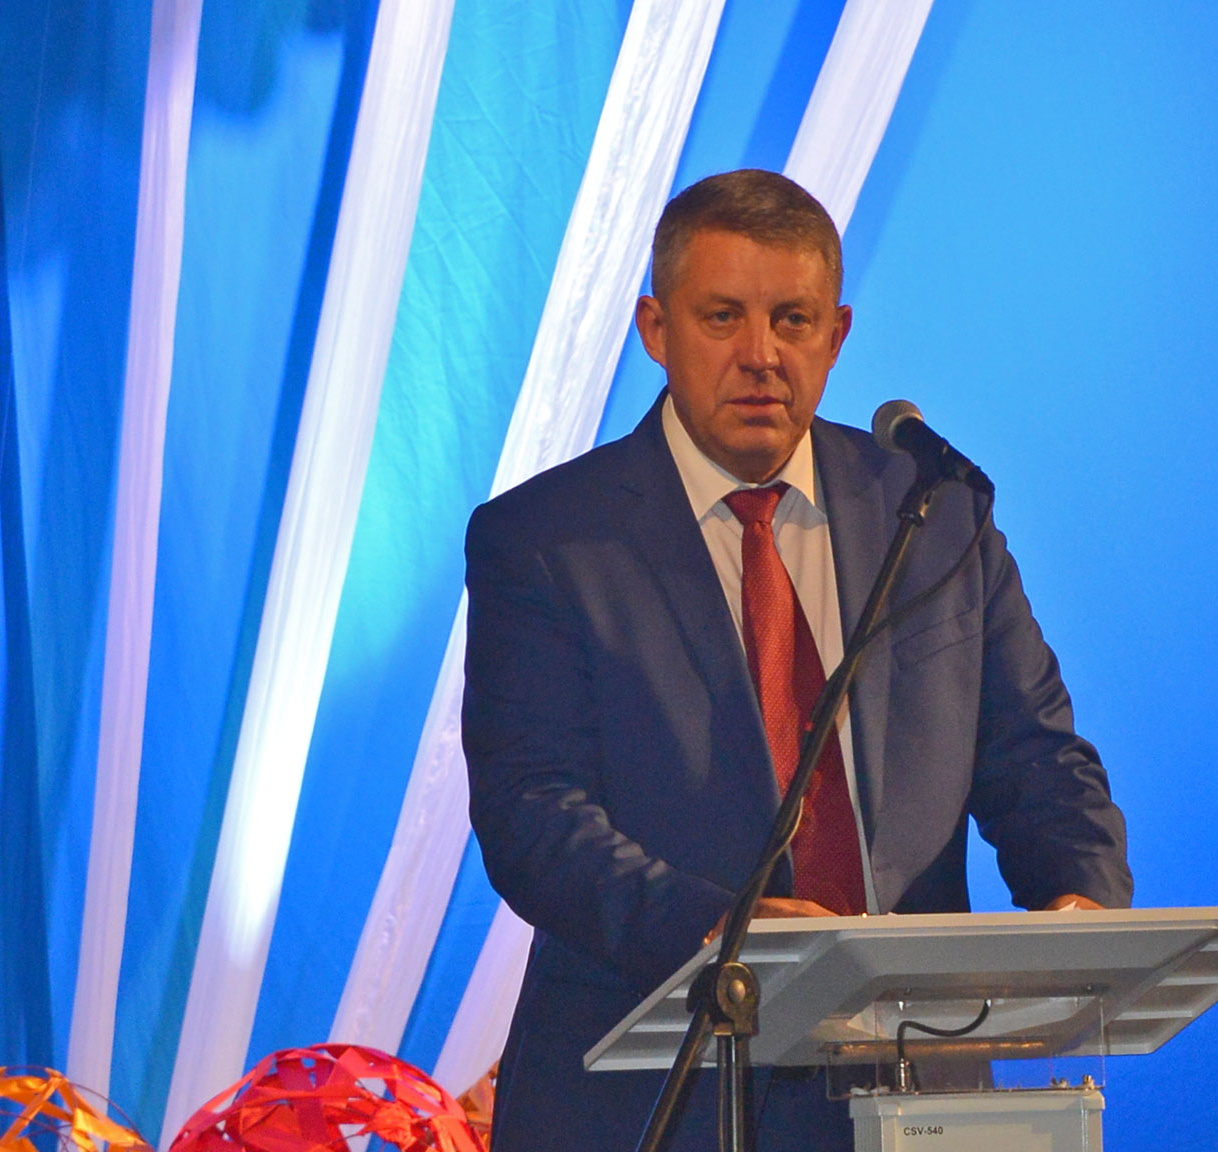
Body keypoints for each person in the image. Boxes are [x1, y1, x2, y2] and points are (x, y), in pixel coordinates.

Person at [462, 169, 1132, 1151]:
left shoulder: (933, 514)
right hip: (654, 1093)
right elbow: (533, 813)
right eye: (722, 317)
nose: (760, 355)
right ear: (656, 329)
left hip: (917, 1089)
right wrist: (718, 933)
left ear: (837, 334)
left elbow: (1035, 756)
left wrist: (1079, 899)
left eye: (792, 320)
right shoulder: (547, 539)